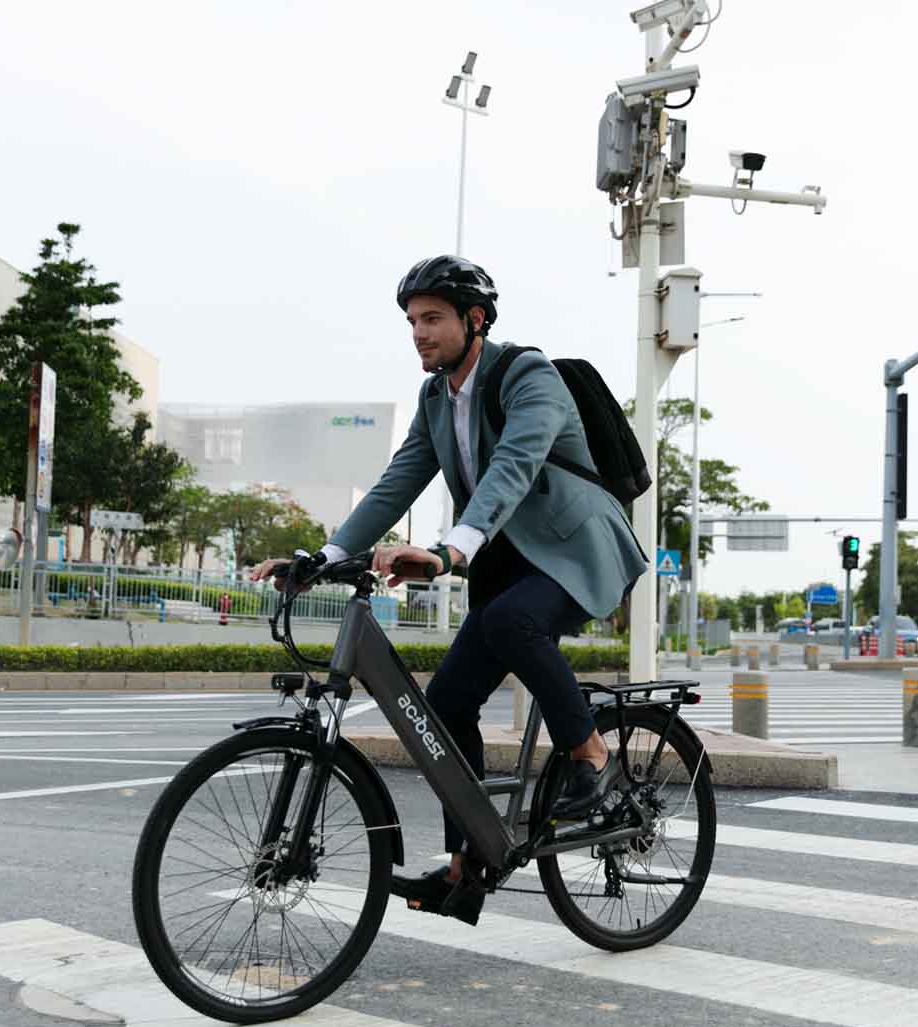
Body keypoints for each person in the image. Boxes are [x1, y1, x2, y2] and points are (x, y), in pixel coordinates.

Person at [252, 254, 646, 925]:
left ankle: (589, 751)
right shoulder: (436, 400)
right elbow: (397, 480)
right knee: (446, 702)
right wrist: (323, 556)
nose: (419, 331)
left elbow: (514, 468)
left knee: (511, 623)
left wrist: (447, 551)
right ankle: (469, 861)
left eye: (432, 317)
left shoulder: (528, 377)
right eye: (412, 320)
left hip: (575, 549)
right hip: (508, 563)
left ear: (476, 319)